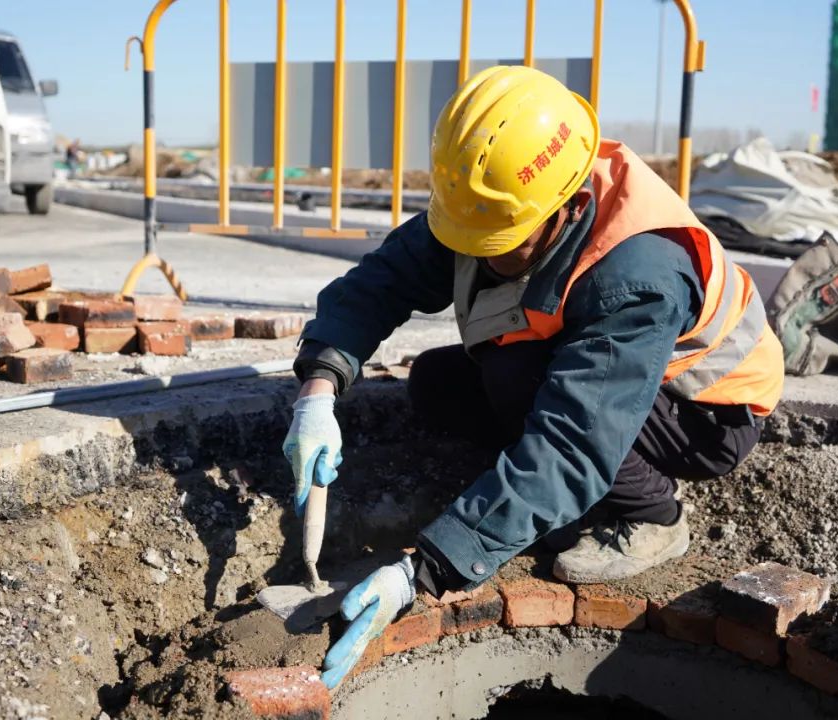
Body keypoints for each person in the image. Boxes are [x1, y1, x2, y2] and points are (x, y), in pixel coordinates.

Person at [282, 65, 785, 688]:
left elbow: (574, 440)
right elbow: (383, 281)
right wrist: (318, 391)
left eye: (502, 242)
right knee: (438, 383)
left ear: (565, 207)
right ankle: (535, 502)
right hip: (612, 379)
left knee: (518, 377)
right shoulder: (487, 201)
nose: (482, 255)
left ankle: (655, 517)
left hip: (705, 412)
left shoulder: (638, 272)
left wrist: (425, 570)